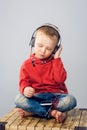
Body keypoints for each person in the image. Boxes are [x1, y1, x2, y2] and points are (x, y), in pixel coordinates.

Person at [15, 23, 77, 123]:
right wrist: (25, 88)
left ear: (55, 49)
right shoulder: (26, 64)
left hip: (55, 98)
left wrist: (57, 58)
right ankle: (52, 113)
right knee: (18, 99)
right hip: (36, 97)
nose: (43, 51)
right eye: (40, 46)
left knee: (71, 100)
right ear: (33, 42)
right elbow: (23, 82)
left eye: (49, 49)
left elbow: (60, 79)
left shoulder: (56, 62)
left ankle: (34, 111)